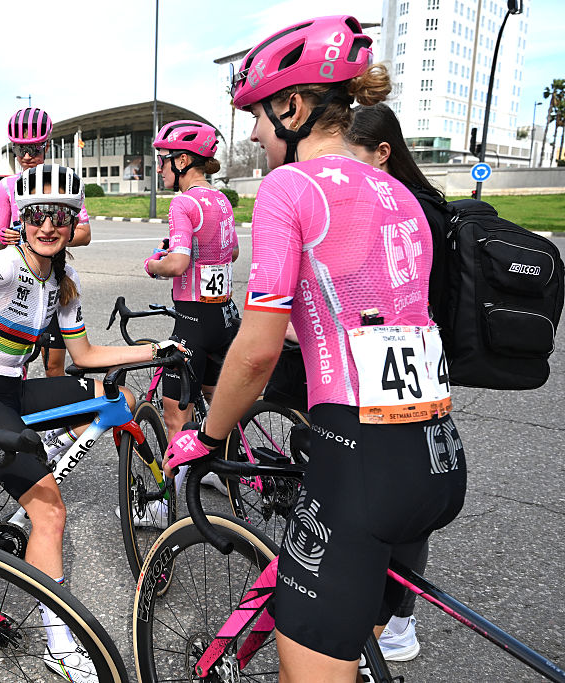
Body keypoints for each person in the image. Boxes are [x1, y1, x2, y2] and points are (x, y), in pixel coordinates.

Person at [165, 16, 467, 682]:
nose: (252, 134)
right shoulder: (401, 193)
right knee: (347, 650)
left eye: (257, 116)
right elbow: (361, 314)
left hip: (360, 467)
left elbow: (256, 351)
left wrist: (207, 438)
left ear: (293, 106)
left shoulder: (290, 187)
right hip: (436, 457)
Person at [0, 163, 177, 682]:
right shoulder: (4, 266)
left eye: (60, 218)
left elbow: (85, 356)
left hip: (13, 388)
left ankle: (64, 468)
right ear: (21, 222)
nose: (48, 226)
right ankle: (59, 645)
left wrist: (155, 350)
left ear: (72, 225)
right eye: (37, 217)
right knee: (49, 513)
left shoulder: (64, 282)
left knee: (119, 396)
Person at [346, 101, 450, 663]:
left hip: (399, 368)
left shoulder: (404, 208)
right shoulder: (419, 202)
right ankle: (390, 618)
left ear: (383, 152)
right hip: (414, 363)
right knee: (401, 494)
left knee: (398, 503)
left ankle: (397, 622)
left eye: (353, 158)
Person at [143, 120, 240, 502]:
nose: (160, 168)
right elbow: (232, 252)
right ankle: (219, 472)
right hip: (225, 318)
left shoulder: (183, 203)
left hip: (193, 321)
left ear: (182, 161)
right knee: (219, 407)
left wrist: (153, 265)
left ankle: (165, 505)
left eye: (163, 160)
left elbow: (179, 262)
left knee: (175, 417)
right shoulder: (221, 200)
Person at [0, 108, 92, 379]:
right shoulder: (6, 186)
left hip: (54, 275)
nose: (26, 156)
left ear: (46, 147)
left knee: (53, 366)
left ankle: (55, 408)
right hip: (19, 279)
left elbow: (85, 233)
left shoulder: (63, 181)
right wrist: (2, 238)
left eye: (33, 149)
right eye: (19, 149)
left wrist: (48, 236)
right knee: (13, 363)